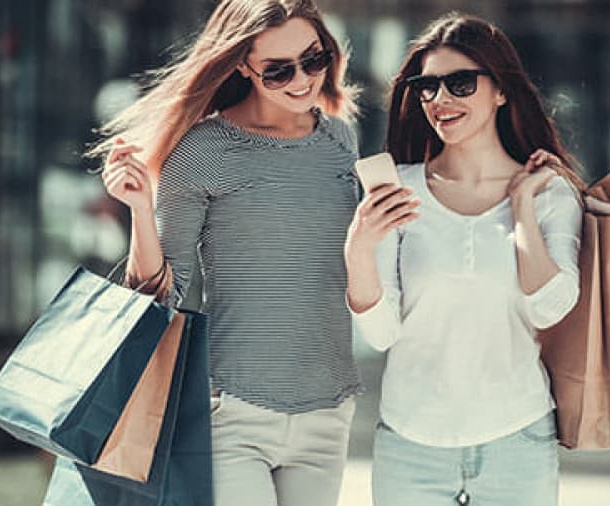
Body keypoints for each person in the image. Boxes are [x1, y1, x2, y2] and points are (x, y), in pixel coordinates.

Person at [94, 1, 361, 505]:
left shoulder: (340, 142)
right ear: (242, 64)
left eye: (313, 58)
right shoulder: (202, 150)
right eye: (278, 70)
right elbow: (161, 294)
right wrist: (139, 210)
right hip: (232, 413)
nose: (302, 80)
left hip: (328, 410)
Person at [344, 13, 584, 506]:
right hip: (410, 444)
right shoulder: (398, 189)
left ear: (501, 91)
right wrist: (359, 251)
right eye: (427, 87)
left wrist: (520, 205)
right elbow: (382, 333)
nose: (440, 100)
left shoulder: (549, 194)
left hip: (517, 439)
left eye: (459, 84)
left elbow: (549, 308)